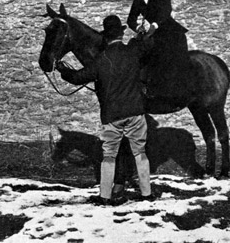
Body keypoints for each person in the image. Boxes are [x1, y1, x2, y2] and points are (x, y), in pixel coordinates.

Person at [56, 15, 155, 206]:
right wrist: (143, 32)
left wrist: (62, 69)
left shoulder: (101, 60)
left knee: (109, 156)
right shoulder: (133, 51)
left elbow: (77, 77)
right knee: (140, 153)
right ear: (121, 33)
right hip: (135, 112)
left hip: (112, 116)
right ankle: (146, 194)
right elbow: (147, 45)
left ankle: (105, 196)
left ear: (105, 37)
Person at [127, 0, 190, 100]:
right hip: (150, 34)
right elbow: (130, 19)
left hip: (169, 31)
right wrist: (138, 27)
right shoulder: (137, 1)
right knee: (134, 50)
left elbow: (165, 12)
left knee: (163, 53)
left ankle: (170, 86)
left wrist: (154, 25)